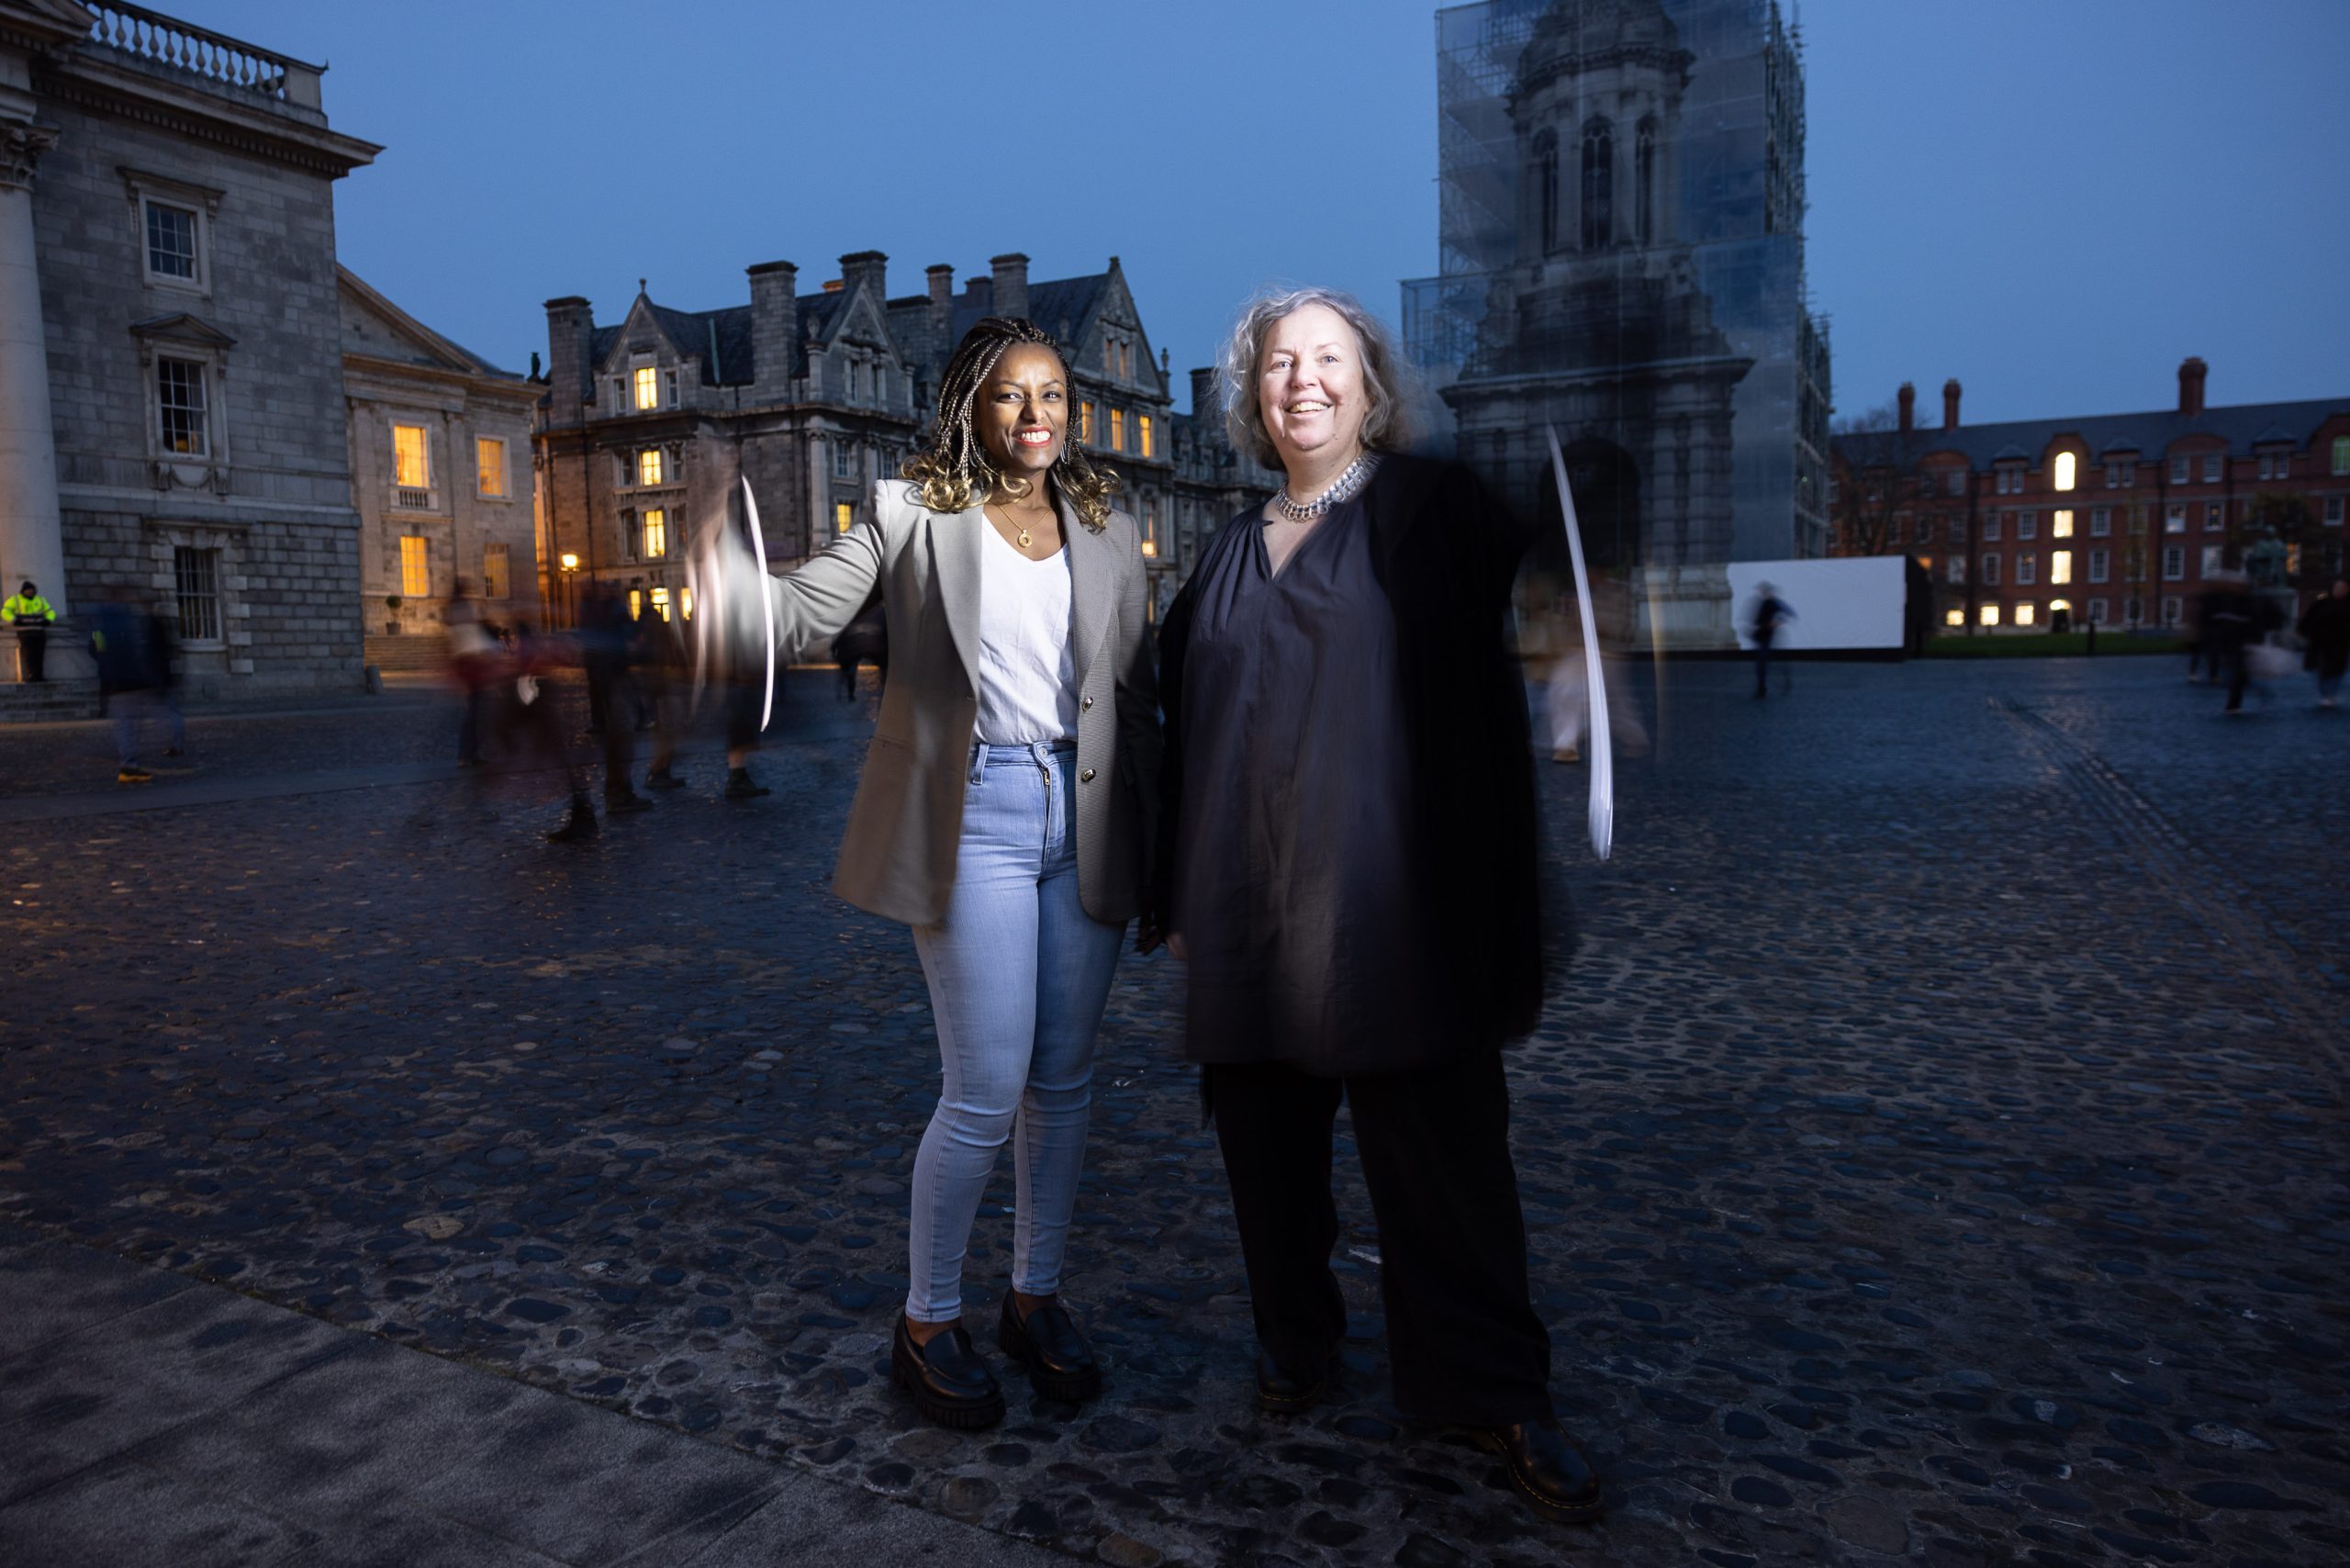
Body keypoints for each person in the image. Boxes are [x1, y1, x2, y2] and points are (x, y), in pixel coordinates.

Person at [1153, 287, 1600, 1525]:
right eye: (1279, 363)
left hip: (1395, 898)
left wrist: (1572, 649)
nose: (1303, 380)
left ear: (1372, 386)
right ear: (1253, 396)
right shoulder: (1228, 550)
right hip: (1247, 902)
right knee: (1268, 1158)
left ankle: (1491, 1387)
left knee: (1443, 1159)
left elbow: (1545, 556)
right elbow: (1175, 708)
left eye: (1328, 359)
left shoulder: (1425, 506)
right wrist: (1173, 881)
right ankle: (1298, 1342)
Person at [744, 317, 1158, 1428]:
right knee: (984, 1088)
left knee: (1064, 1083)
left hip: (1088, 810)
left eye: (1054, 395)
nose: (1038, 416)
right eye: (1012, 395)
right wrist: (724, 590)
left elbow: (1140, 682)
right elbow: (801, 612)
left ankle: (1034, 1297)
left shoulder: (1109, 521)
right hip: (972, 810)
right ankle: (927, 1318)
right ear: (970, 408)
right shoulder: (910, 511)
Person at [445, 577, 498, 767]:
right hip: (472, 665)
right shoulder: (462, 609)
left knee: (475, 711)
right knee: (478, 712)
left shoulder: (453, 610)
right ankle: (470, 753)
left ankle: (469, 754)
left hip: (467, 665)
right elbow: (470, 641)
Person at [2297, 577, 2349, 708]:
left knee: (2336, 670)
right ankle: (2326, 692)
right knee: (2322, 668)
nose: (2339, 590)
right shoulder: (2321, 604)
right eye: (2338, 588)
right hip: (2320, 642)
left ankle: (2329, 692)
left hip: (2340, 643)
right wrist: (2303, 630)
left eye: (2342, 588)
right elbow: (2309, 619)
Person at [1747, 581, 1793, 699]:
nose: (1761, 592)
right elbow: (1758, 620)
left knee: (1763, 664)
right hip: (1762, 636)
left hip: (1767, 637)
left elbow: (1789, 613)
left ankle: (1763, 688)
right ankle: (1763, 687)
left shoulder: (1774, 603)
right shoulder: (1763, 602)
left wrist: (1777, 622)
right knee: (1762, 664)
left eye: (1763, 590)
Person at [5, 579, 56, 683]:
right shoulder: (15, 600)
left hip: (39, 632)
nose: (30, 592)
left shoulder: (41, 600)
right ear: (23, 591)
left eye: (32, 590)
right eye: (28, 590)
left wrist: (48, 620)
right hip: (25, 632)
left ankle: (39, 675)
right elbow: (5, 611)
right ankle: (31, 675)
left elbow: (50, 612)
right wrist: (13, 620)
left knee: (39, 655)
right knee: (29, 654)